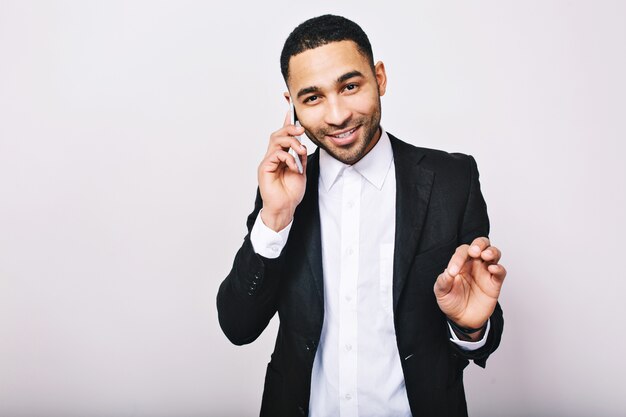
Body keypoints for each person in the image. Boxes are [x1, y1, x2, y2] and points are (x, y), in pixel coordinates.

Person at [217, 14, 506, 417]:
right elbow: (238, 326)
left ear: (380, 78)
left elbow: (479, 317)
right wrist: (275, 219)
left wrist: (471, 327)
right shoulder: (281, 190)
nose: (336, 116)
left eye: (350, 86)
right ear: (291, 104)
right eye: (313, 97)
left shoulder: (452, 180)